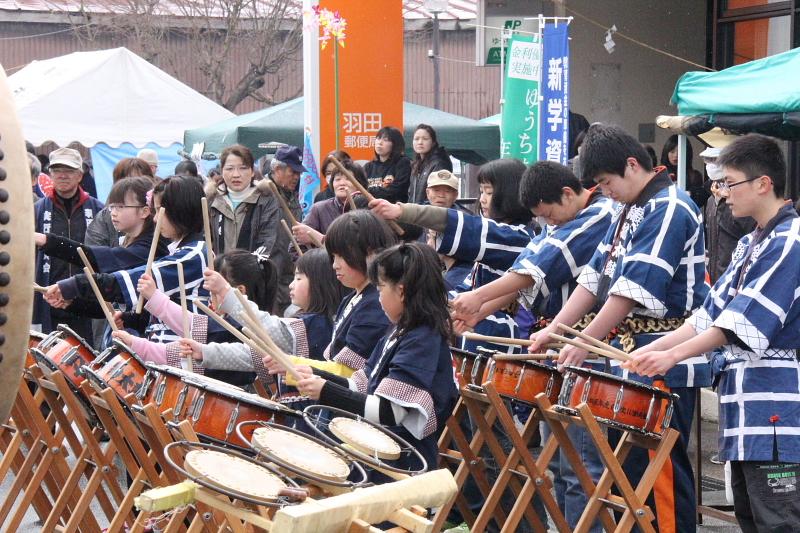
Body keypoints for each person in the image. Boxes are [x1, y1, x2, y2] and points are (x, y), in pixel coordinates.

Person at [529, 124, 709, 533]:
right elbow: (595, 278)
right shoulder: (630, 208)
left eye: (606, 182)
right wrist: (557, 330)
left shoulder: (671, 205)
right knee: (628, 474)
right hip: (632, 355)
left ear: (631, 165)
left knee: (657, 474)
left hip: (664, 353)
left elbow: (631, 290)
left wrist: (583, 339)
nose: (604, 191)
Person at [628, 133, 800, 533]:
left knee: (780, 522)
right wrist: (655, 348)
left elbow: (740, 323)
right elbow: (706, 317)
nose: (722, 193)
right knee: (753, 519)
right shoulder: (749, 244)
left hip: (777, 407)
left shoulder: (790, 240)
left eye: (729, 183)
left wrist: (670, 356)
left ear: (763, 183)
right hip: (745, 406)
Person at [449, 161, 615, 531]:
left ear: (569, 194)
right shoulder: (567, 216)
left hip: (585, 345)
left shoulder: (602, 212)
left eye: (551, 215)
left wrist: (478, 299)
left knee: (580, 465)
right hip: (557, 345)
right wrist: (478, 309)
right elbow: (530, 265)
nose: (549, 224)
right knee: (559, 462)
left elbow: (540, 264)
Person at [294, 242, 458, 473]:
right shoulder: (398, 330)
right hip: (376, 451)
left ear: (401, 291)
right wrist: (315, 375)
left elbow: (390, 412)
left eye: (380, 289)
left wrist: (325, 391)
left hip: (402, 463)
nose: (378, 298)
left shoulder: (422, 339)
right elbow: (360, 384)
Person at [371, 158, 535, 354]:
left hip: (495, 333)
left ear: (509, 195)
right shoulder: (508, 235)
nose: (482, 198)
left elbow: (466, 226)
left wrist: (402, 210)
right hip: (477, 326)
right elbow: (464, 290)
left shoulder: (517, 237)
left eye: (489, 192)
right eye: (481, 191)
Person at [44, 176, 210, 346]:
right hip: (167, 351)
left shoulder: (192, 256)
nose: (155, 219)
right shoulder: (177, 250)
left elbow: (123, 282)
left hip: (183, 354)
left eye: (160, 210)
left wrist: (74, 285)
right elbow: (156, 315)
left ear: (180, 211)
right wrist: (131, 320)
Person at [114, 249, 279, 385]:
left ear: (239, 292)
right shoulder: (228, 326)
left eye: (215, 292)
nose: (208, 300)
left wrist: (156, 298)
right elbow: (171, 353)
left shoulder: (242, 328)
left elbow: (197, 326)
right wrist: (133, 343)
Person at [264, 209, 396, 378]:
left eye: (341, 256)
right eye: (333, 257)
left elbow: (349, 373)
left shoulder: (375, 305)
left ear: (369, 253)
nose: (334, 265)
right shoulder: (352, 298)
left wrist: (291, 363)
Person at [205, 145, 289, 310]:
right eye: (229, 168)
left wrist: (246, 273)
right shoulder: (211, 200)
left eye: (243, 168)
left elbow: (268, 241)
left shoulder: (266, 199)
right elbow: (208, 240)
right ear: (222, 171)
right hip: (220, 276)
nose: (236, 174)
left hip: (255, 280)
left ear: (252, 171)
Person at [33, 147, 105, 338]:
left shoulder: (98, 209)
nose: (63, 175)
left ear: (80, 175)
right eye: (57, 170)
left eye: (69, 170)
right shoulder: (38, 210)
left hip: (87, 302)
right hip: (49, 299)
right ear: (50, 174)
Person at [702, 146, 756, 284]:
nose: (710, 165)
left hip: (736, 278)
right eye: (708, 160)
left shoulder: (741, 201)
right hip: (715, 278)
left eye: (715, 160)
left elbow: (749, 236)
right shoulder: (710, 201)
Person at [293, 159, 368, 246]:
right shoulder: (319, 209)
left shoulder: (370, 208)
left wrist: (320, 238)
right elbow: (295, 245)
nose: (342, 183)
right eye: (337, 179)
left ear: (360, 183)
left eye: (348, 179)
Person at [268, 145, 307, 313]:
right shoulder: (264, 195)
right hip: (270, 273)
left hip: (289, 271)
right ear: (277, 169)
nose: (297, 177)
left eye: (299, 173)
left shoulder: (291, 195)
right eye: (293, 172)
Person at [364, 126, 412, 203]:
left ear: (395, 144)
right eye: (378, 138)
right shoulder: (368, 166)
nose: (380, 143)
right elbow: (360, 188)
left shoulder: (403, 163)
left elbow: (396, 190)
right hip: (370, 210)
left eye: (385, 140)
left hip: (395, 210)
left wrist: (369, 192)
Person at [407, 124, 452, 204]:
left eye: (425, 139)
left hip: (429, 213)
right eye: (416, 139)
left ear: (433, 142)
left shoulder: (439, 163)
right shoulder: (417, 164)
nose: (420, 142)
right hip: (416, 212)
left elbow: (439, 195)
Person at [661, 134, 708, 209]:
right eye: (672, 151)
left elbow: (700, 199)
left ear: (687, 153)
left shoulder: (694, 175)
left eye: (679, 152)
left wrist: (689, 194)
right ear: (666, 153)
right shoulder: (659, 174)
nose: (675, 155)